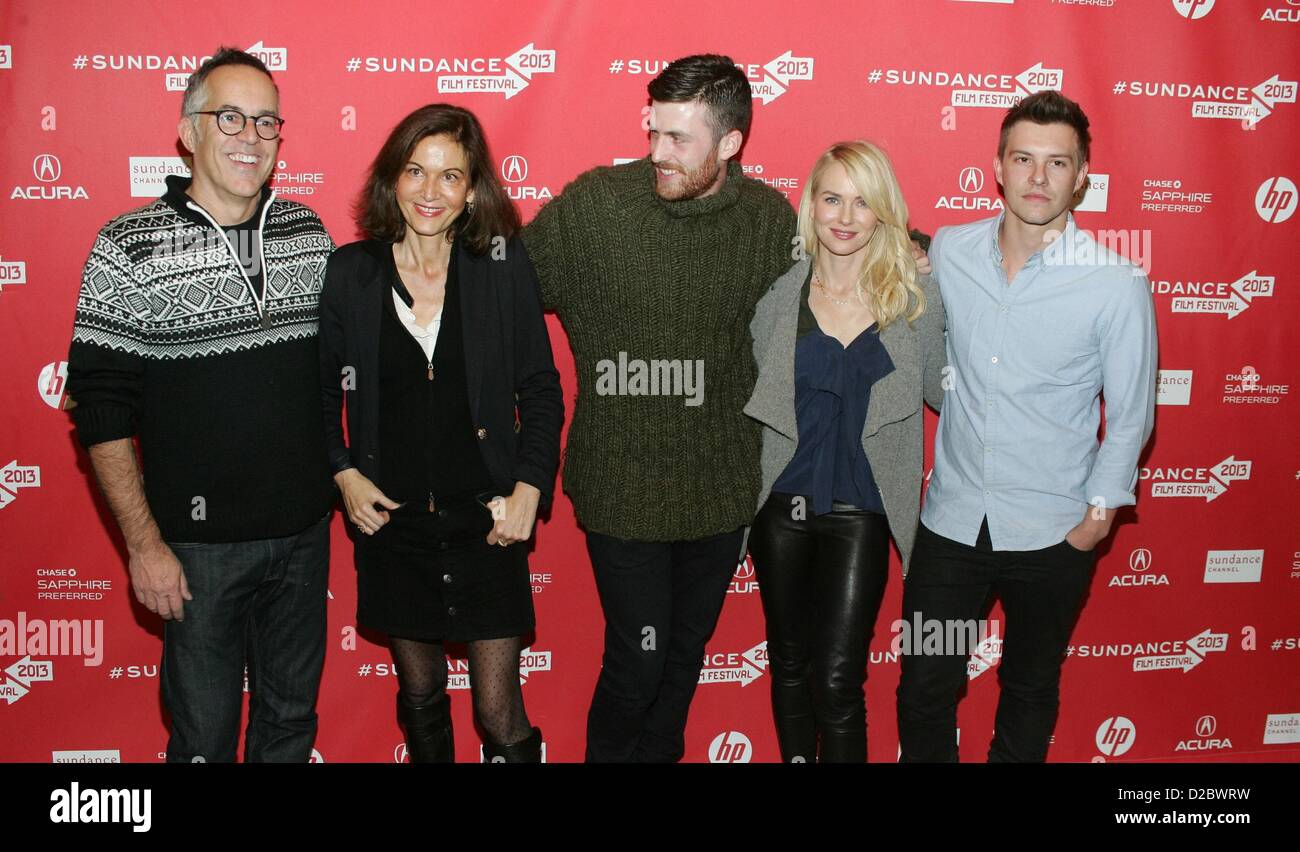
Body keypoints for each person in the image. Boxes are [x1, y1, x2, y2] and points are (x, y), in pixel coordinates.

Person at [521, 54, 799, 762]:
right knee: (637, 665)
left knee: (680, 664)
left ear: (730, 143)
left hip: (721, 490)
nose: (657, 153)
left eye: (679, 139)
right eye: (654, 132)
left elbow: (844, 269)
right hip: (622, 488)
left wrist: (918, 251)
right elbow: (499, 287)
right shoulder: (595, 207)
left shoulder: (769, 220)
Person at [65, 47, 335, 762]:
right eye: (230, 117)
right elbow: (100, 411)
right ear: (188, 132)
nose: (251, 137)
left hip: (305, 537)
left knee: (288, 728)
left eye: (267, 122)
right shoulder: (127, 247)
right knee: (204, 740)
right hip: (196, 551)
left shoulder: (310, 235)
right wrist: (144, 546)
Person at [896, 90, 1157, 762]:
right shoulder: (951, 250)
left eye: (1058, 163)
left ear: (1082, 177)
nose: (1039, 178)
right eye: (1024, 159)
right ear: (998, 167)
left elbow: (1131, 415)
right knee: (927, 683)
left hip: (1052, 534)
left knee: (1030, 685)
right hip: (951, 529)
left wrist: (1096, 519)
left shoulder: (1114, 282)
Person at [319, 104, 563, 763]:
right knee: (422, 692)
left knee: (497, 710)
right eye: (415, 172)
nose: (430, 192)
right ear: (391, 180)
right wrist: (343, 470)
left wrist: (531, 486)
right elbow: (318, 392)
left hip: (487, 526)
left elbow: (540, 387)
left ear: (473, 188)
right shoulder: (351, 275)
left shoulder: (501, 267)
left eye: (450, 176)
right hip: (393, 530)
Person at [744, 141, 946, 763]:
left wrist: (928, 252)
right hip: (781, 507)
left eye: (864, 202)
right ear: (811, 204)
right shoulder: (777, 296)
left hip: (862, 509)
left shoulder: (913, 297)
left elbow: (947, 389)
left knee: (838, 680)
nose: (845, 216)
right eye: (833, 198)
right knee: (789, 666)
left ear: (884, 212)